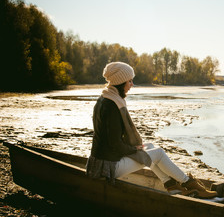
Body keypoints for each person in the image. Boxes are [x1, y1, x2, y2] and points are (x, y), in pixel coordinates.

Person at [86, 61, 217, 199]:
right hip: (108, 167)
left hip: (103, 161)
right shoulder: (111, 106)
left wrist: (136, 148)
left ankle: (170, 184)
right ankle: (188, 183)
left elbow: (112, 141)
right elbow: (115, 144)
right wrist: (134, 150)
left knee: (150, 147)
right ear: (121, 81)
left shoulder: (105, 99)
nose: (132, 84)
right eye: (130, 81)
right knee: (159, 153)